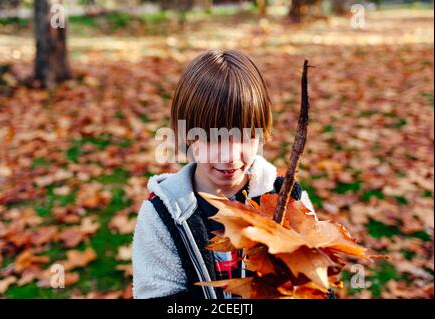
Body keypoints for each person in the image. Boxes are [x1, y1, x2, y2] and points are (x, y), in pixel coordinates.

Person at [132, 49, 316, 299]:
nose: (229, 156)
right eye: (212, 138)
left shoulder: (287, 197)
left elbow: (317, 284)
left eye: (244, 136)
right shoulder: (164, 214)